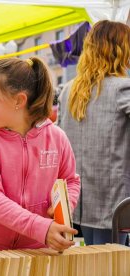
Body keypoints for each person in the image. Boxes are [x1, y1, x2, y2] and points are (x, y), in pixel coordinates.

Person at [0, 57, 80, 253]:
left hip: (36, 248)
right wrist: (40, 227)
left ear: (19, 100)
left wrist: (65, 206)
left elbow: (71, 181)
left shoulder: (57, 138)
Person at [58, 20, 130, 245]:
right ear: (121, 49)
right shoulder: (122, 88)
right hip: (113, 200)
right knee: (111, 263)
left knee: (91, 257)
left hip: (79, 199)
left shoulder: (68, 90)